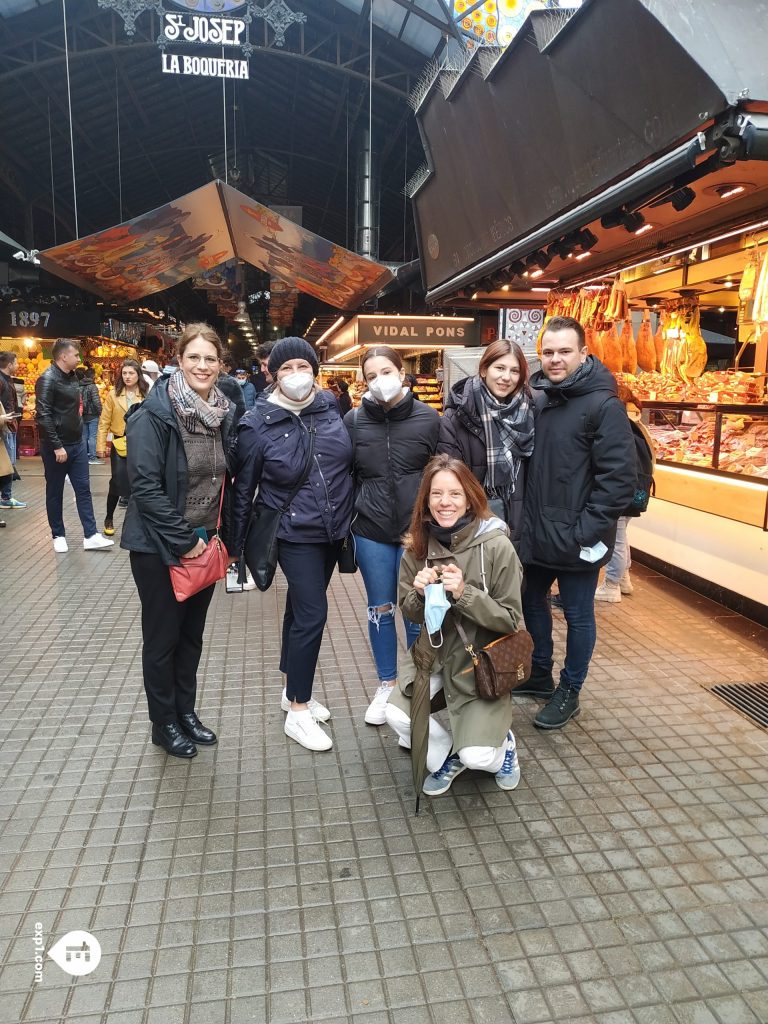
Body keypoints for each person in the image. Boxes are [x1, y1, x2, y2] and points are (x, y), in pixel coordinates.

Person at [232, 336, 353, 752]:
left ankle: (290, 689)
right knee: (313, 615)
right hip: (294, 533)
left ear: (315, 371)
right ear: (273, 373)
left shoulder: (330, 408)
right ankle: (298, 710)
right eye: (286, 369)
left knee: (300, 610)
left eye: (303, 366)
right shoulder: (256, 422)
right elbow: (242, 490)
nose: (296, 376)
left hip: (333, 533)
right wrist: (237, 551)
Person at [515, 316, 636, 729]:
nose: (555, 359)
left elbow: (618, 481)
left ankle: (571, 689)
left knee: (579, 615)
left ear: (583, 353)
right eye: (548, 352)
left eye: (565, 351)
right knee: (531, 602)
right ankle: (540, 673)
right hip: (536, 532)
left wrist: (584, 530)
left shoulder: (603, 405)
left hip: (576, 536)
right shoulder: (539, 397)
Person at [121, 323, 235, 758]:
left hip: (203, 543)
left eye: (210, 359)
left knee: (191, 637)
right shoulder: (155, 415)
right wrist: (185, 540)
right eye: (194, 357)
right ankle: (163, 722)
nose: (202, 366)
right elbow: (145, 487)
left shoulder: (221, 413)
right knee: (163, 637)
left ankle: (185, 712)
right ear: (179, 361)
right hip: (160, 548)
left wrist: (218, 538)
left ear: (220, 365)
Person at [385, 454, 524, 797]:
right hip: (433, 656)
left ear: (470, 499)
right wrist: (417, 594)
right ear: (426, 501)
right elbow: (412, 614)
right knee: (397, 716)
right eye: (436, 494)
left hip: (480, 663)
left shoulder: (496, 546)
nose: (445, 502)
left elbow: (510, 621)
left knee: (479, 756)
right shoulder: (416, 548)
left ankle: (501, 747)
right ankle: (452, 754)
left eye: (455, 494)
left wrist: (464, 594)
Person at [345, 346, 440, 726]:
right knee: (380, 608)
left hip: (417, 532)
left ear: (403, 373)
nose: (380, 380)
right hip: (370, 530)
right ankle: (386, 682)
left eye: (387, 371)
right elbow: (345, 472)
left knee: (416, 607)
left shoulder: (429, 419)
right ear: (364, 381)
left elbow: (443, 474)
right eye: (371, 375)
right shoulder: (353, 420)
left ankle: (417, 680)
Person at [438, 339, 534, 545]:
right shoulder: (457, 417)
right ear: (483, 369)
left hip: (521, 523)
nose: (506, 377)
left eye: (514, 371)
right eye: (499, 368)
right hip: (473, 524)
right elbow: (449, 478)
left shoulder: (530, 413)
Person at [35, 339, 114, 553]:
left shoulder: (73, 378)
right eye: (76, 355)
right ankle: (58, 534)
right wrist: (56, 445)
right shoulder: (47, 379)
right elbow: (43, 415)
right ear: (63, 357)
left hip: (77, 444)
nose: (79, 359)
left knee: (84, 489)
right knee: (55, 491)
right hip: (56, 447)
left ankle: (91, 534)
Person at [97, 358, 148, 536]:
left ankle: (136, 522)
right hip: (119, 443)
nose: (127, 376)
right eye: (124, 373)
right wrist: (100, 445)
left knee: (140, 483)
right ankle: (109, 517)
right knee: (117, 481)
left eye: (131, 373)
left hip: (141, 444)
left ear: (138, 375)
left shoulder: (146, 393)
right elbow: (104, 422)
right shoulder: (113, 394)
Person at [0, 351, 26, 509]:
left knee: (9, 462)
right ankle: (6, 497)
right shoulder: (1, 380)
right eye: (16, 362)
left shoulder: (7, 379)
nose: (17, 365)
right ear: (9, 365)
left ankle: (6, 496)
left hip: (10, 424)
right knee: (7, 462)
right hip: (5, 426)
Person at [80, 366, 102, 464]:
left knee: (84, 436)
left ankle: (84, 456)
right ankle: (92, 457)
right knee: (92, 436)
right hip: (93, 414)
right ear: (92, 376)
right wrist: (100, 411)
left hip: (82, 414)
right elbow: (96, 401)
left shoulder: (79, 386)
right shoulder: (93, 387)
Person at [217, 354, 246, 424]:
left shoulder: (229, 382)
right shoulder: (230, 382)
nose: (229, 369)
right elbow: (240, 410)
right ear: (222, 364)